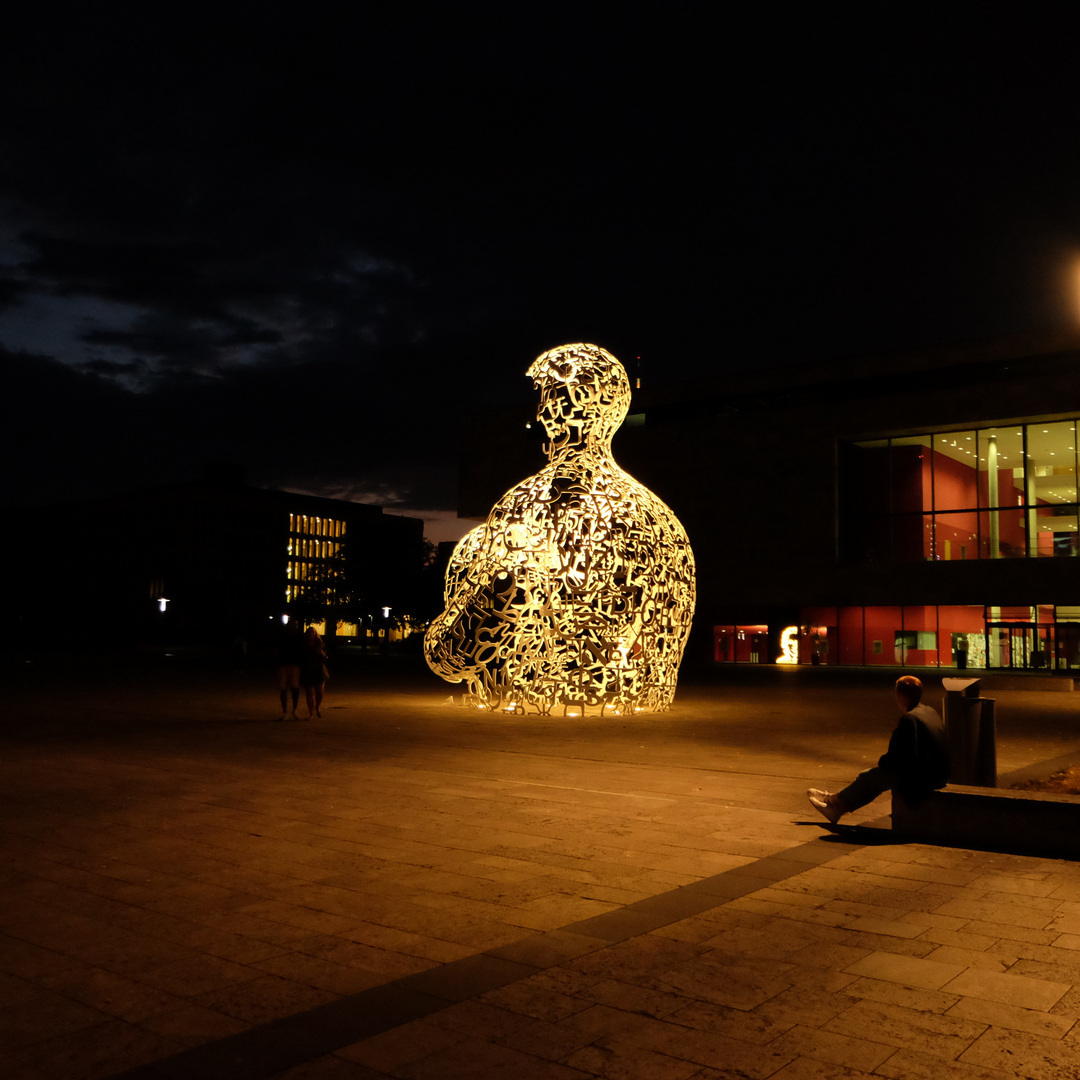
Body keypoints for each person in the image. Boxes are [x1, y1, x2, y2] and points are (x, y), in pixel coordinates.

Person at [808, 675, 950, 823]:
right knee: (874, 779)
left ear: (901, 696)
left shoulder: (909, 720)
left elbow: (896, 757)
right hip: (938, 773)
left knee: (870, 777)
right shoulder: (929, 711)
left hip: (924, 778)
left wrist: (883, 763)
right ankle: (837, 809)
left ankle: (832, 800)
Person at [274, 618, 303, 720]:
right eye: (294, 624)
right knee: (284, 688)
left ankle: (293, 710)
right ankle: (286, 711)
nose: (295, 626)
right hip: (285, 664)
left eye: (296, 624)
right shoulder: (284, 635)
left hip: (293, 664)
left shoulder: (297, 636)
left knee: (294, 687)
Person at [299, 626, 328, 719]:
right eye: (309, 632)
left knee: (320, 692)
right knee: (309, 693)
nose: (311, 634)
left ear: (315, 634)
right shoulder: (304, 645)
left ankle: (317, 706)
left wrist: (322, 654)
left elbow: (324, 658)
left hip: (319, 670)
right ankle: (311, 712)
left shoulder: (319, 643)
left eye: (313, 632)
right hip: (308, 670)